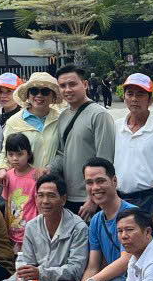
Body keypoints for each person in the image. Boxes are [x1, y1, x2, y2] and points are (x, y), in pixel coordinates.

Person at [0, 172, 88, 281]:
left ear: (63, 199)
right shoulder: (32, 226)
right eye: (40, 196)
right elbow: (25, 263)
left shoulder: (78, 227)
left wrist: (41, 273)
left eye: (51, 196)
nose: (45, 201)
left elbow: (77, 270)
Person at [48, 65, 116, 219]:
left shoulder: (99, 115)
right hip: (68, 195)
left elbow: (105, 160)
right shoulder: (64, 115)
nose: (67, 90)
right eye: (62, 86)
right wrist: (48, 169)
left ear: (85, 84)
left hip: (90, 199)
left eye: (72, 84)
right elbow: (62, 153)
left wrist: (93, 199)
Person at [115, 73, 153, 249]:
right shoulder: (116, 126)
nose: (134, 99)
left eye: (140, 94)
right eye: (130, 94)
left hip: (149, 200)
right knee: (123, 252)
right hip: (120, 199)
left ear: (150, 99)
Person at [0, 72, 62, 181]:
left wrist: (49, 169)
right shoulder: (14, 121)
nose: (39, 95)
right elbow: (5, 153)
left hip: (50, 184)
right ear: (28, 94)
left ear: (52, 96)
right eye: (34, 91)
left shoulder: (60, 120)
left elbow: (62, 152)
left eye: (45, 91)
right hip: (22, 184)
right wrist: (2, 170)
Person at [0, 133, 40, 250]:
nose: (15, 158)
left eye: (20, 154)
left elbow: (39, 207)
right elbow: (7, 204)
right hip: (12, 233)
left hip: (31, 234)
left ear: (29, 154)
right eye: (11, 154)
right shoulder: (8, 175)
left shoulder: (35, 177)